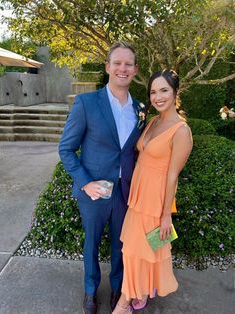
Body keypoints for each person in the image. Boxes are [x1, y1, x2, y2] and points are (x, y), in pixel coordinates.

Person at [59, 42, 145, 314]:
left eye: (128, 64)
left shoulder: (141, 109)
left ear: (135, 70)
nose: (123, 68)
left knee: (122, 246)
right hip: (94, 191)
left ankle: (120, 290)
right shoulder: (86, 103)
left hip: (125, 192)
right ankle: (90, 291)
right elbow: (66, 149)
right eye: (117, 63)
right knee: (91, 244)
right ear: (107, 67)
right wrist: (85, 182)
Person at [112, 69, 193, 313]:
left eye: (164, 90)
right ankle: (142, 290)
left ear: (175, 92)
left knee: (137, 251)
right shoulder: (154, 120)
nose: (158, 96)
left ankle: (123, 303)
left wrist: (166, 214)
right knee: (138, 250)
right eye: (153, 91)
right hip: (137, 196)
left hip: (155, 202)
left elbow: (172, 176)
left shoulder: (181, 131)